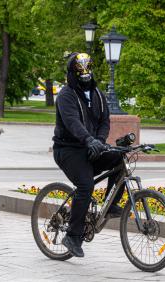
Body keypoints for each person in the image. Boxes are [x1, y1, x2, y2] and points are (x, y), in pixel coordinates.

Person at [53, 52, 124, 257]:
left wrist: (99, 142)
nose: (85, 76)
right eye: (80, 72)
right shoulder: (66, 95)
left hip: (92, 147)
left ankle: (111, 206)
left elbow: (104, 121)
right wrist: (88, 140)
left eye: (88, 71)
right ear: (73, 73)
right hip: (68, 150)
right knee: (86, 185)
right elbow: (72, 122)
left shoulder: (98, 95)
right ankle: (73, 237)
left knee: (120, 158)